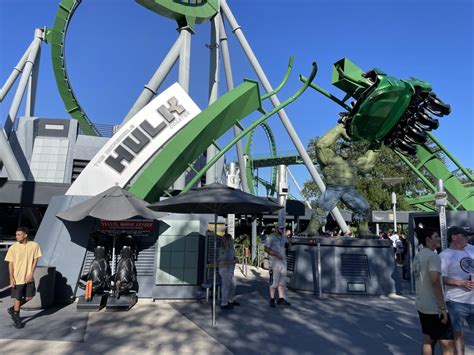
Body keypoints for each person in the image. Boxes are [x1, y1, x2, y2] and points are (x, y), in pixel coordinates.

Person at [303, 124, 380, 237]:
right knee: (322, 208)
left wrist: (377, 143)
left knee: (363, 207)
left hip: (349, 190)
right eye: (343, 149)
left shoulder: (354, 164)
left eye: (348, 150)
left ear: (351, 152)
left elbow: (368, 161)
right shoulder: (330, 159)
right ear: (339, 151)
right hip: (333, 189)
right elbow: (320, 146)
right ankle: (312, 230)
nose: (345, 152)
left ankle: (363, 231)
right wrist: (339, 130)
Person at [412, 227, 454, 355]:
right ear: (428, 240)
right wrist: (442, 307)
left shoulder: (418, 255)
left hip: (422, 304)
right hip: (434, 307)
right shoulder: (433, 256)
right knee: (448, 344)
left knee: (428, 340)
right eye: (436, 237)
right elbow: (435, 281)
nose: (439, 239)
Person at [439, 226, 474, 355]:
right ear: (454, 237)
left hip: (473, 300)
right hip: (455, 301)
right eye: (464, 236)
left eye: (468, 236)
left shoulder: (471, 250)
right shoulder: (444, 255)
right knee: (458, 334)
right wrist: (461, 282)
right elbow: (441, 278)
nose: (468, 238)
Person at [5, 227, 42, 329]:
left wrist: (31, 273)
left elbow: (35, 260)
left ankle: (13, 309)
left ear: (25, 235)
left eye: (19, 234)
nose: (17, 236)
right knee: (18, 297)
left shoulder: (34, 245)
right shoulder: (13, 248)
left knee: (30, 297)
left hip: (29, 276)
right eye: (16, 234)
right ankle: (17, 318)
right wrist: (11, 278)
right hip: (17, 277)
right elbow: (10, 264)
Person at [264, 223, 291, 307]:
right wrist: (275, 254)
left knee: (282, 282)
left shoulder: (284, 237)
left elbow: (288, 246)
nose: (282, 230)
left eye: (283, 228)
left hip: (283, 262)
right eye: (280, 228)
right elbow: (266, 248)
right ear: (276, 228)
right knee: (273, 282)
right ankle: (272, 299)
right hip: (274, 262)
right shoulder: (271, 236)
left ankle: (281, 299)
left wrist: (289, 239)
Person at [218, 233, 239, 310]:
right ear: (227, 240)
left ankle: (230, 300)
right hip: (225, 269)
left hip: (230, 270)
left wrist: (234, 258)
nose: (232, 240)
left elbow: (231, 257)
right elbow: (224, 261)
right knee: (226, 287)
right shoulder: (223, 249)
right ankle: (224, 303)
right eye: (230, 239)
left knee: (233, 285)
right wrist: (234, 260)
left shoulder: (230, 248)